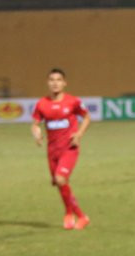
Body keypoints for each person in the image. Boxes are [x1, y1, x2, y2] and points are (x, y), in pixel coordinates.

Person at [31, 68, 90, 230]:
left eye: (58, 80)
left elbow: (87, 117)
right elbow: (35, 124)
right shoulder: (41, 104)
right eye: (52, 80)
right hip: (52, 151)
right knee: (60, 184)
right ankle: (70, 213)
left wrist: (79, 134)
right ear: (48, 83)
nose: (55, 83)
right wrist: (36, 134)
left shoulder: (73, 102)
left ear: (64, 83)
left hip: (69, 149)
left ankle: (80, 215)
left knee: (60, 179)